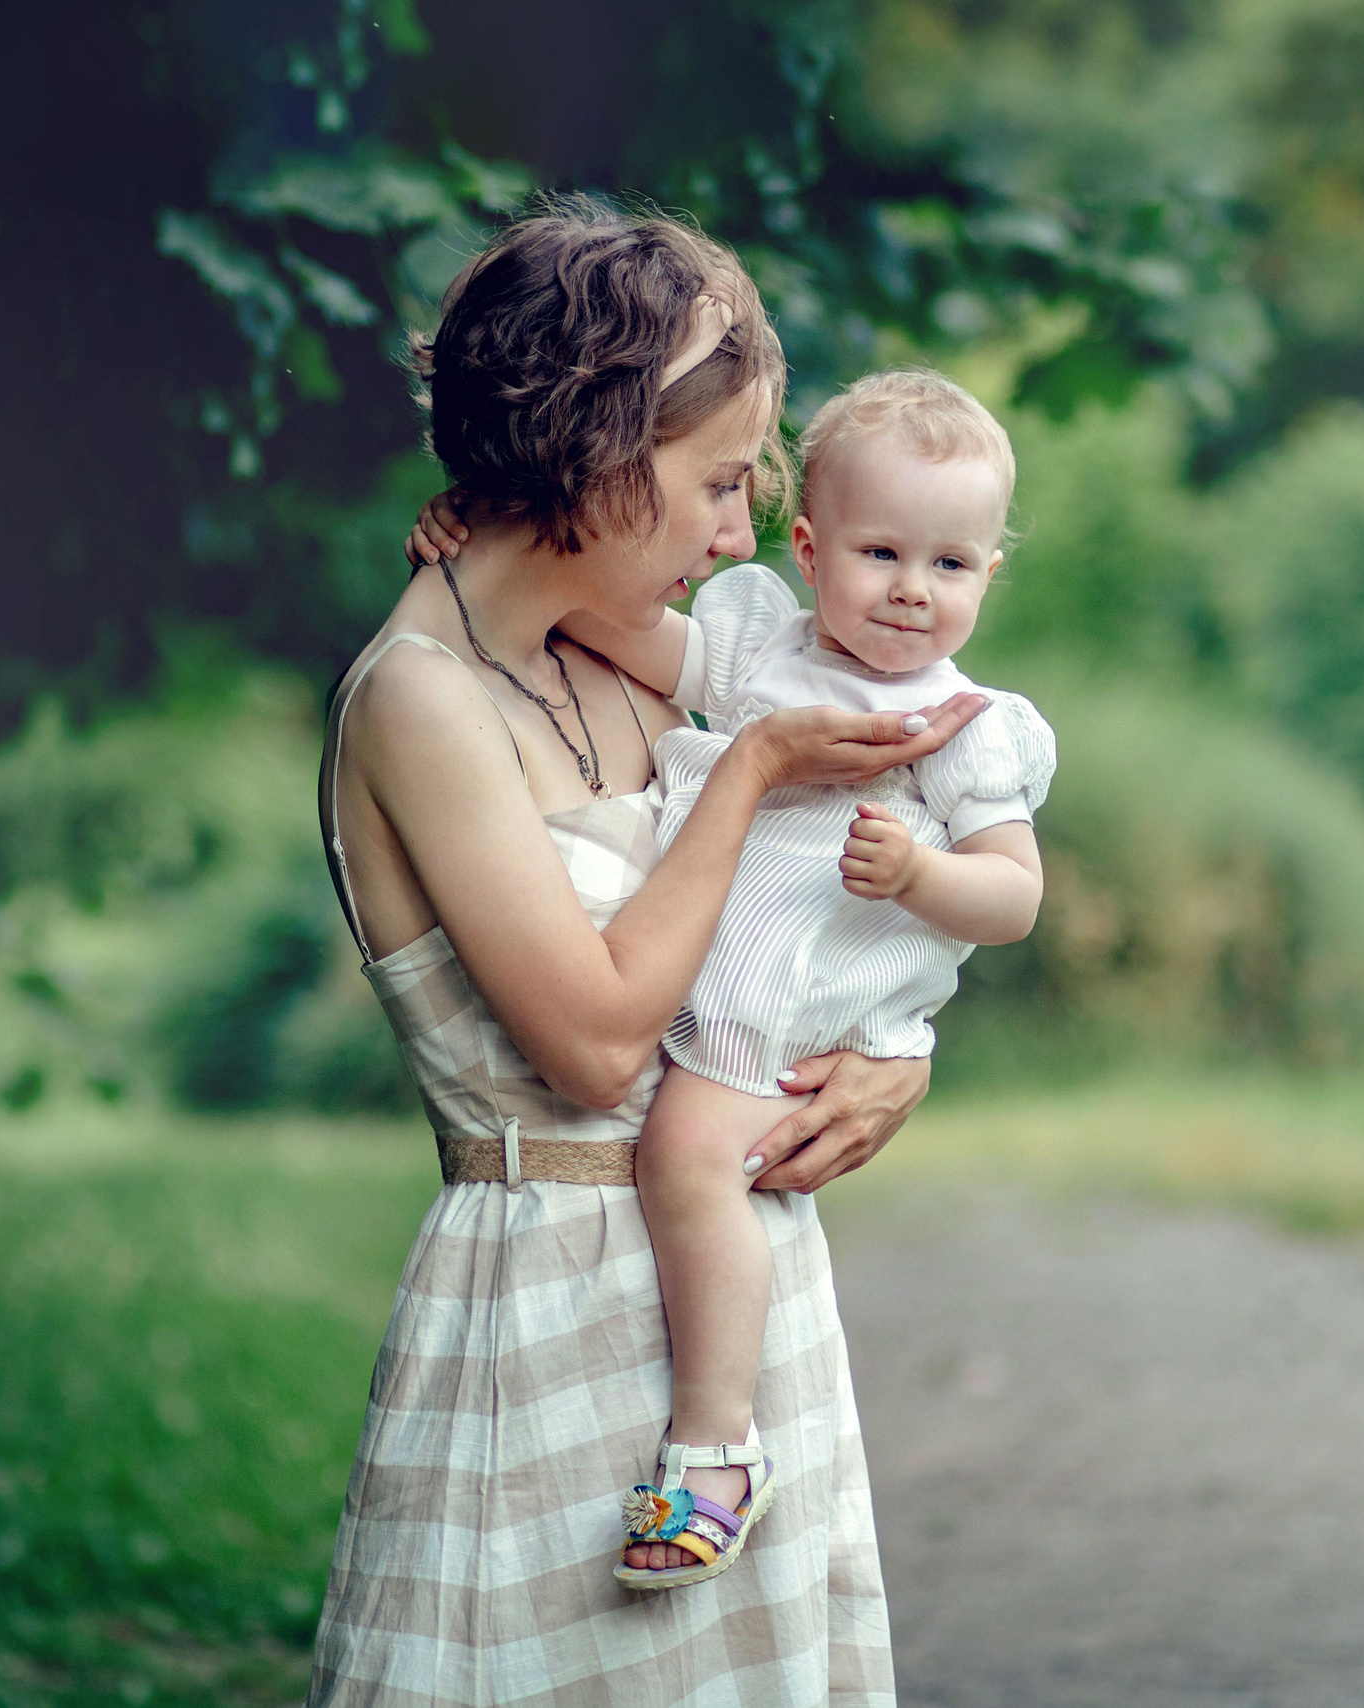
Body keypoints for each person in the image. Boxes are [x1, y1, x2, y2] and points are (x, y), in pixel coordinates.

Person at [311, 198, 979, 1706]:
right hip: (548, 1313)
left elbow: (790, 928)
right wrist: (748, 774)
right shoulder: (422, 701)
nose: (744, 534)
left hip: (735, 1314)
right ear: (596, 453)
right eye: (720, 482)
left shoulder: (614, 655)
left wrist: (892, 1058)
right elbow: (603, 1045)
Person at [410, 369, 1051, 1590]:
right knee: (682, 1150)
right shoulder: (756, 647)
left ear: (986, 575)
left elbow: (1014, 896)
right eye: (880, 552)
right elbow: (599, 621)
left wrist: (920, 872)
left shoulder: (965, 725)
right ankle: (716, 1435)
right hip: (693, 980)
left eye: (952, 564)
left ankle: (715, 1446)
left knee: (688, 1154)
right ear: (808, 549)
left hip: (782, 1015)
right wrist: (470, 555)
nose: (914, 590)